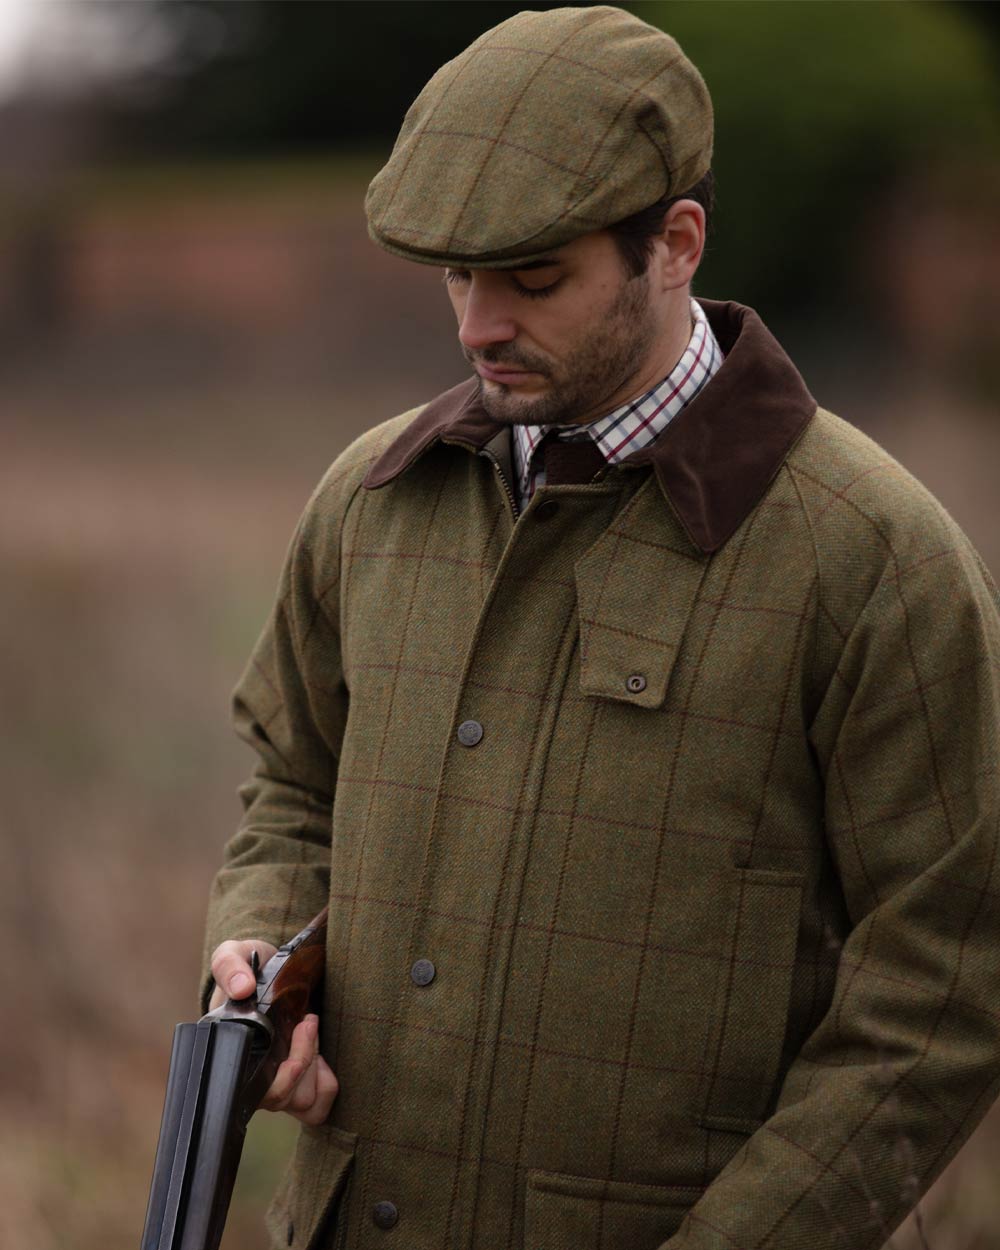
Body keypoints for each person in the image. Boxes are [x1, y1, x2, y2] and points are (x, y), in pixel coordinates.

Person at [202, 7, 1000, 1249]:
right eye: (458, 275)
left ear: (673, 243)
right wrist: (261, 966)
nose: (474, 328)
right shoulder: (368, 499)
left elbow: (949, 984)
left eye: (532, 279)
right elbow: (294, 784)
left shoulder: (876, 556)